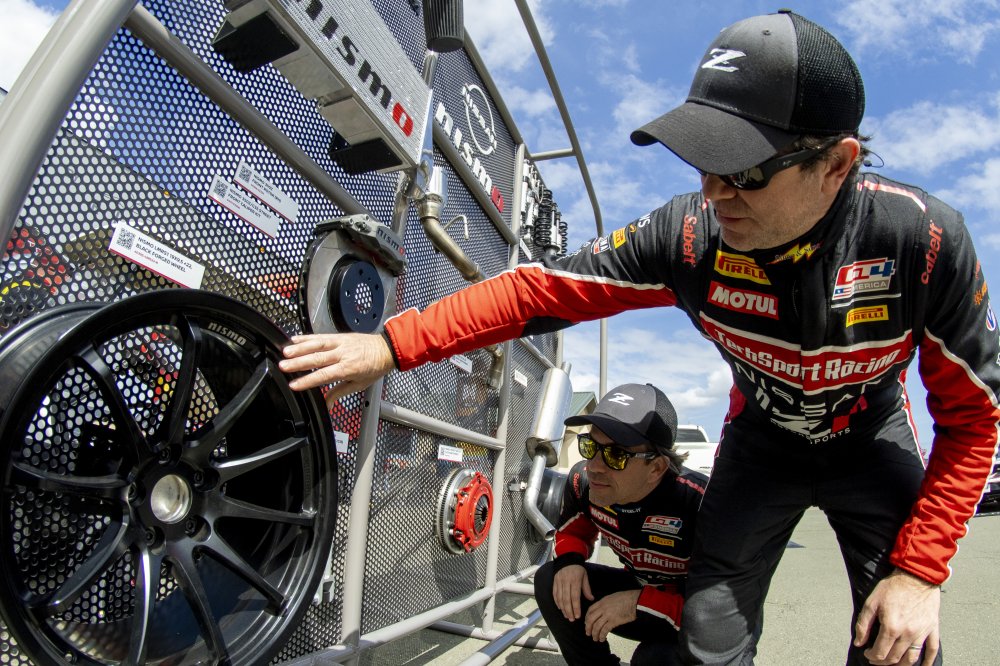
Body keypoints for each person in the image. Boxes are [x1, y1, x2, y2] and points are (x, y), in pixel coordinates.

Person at [279, 10, 1000, 665]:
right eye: (703, 162)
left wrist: (920, 572)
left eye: (745, 171)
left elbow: (974, 418)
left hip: (870, 441)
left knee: (900, 645)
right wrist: (391, 345)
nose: (714, 193)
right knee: (705, 644)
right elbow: (538, 291)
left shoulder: (923, 241)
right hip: (761, 445)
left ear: (835, 165)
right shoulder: (688, 237)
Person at [534, 383, 706, 665]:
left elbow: (719, 608)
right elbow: (572, 532)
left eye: (616, 455)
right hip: (641, 590)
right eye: (591, 446)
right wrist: (570, 561)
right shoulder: (583, 483)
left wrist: (639, 602)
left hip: (695, 613)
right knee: (551, 579)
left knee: (654, 659)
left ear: (656, 468)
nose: (594, 466)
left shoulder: (700, 503)